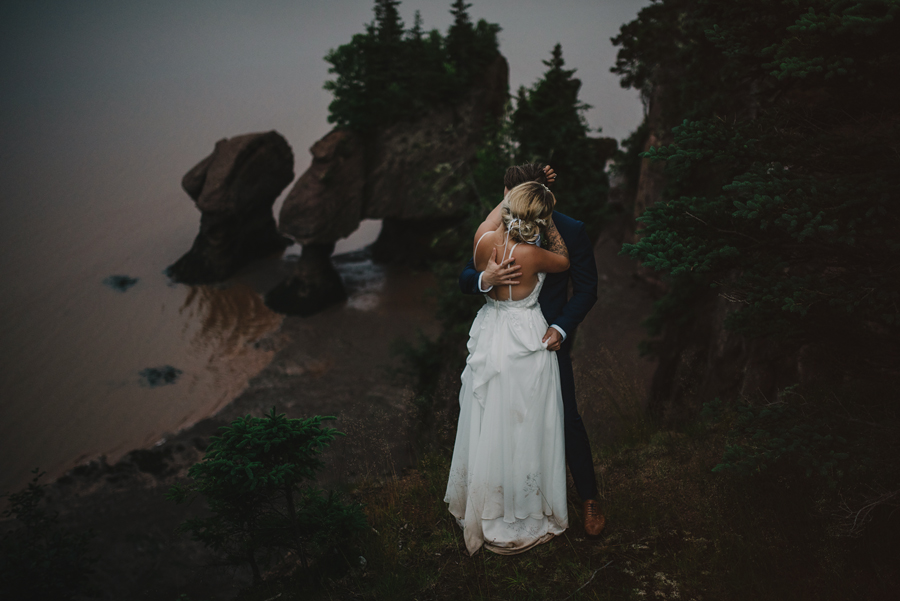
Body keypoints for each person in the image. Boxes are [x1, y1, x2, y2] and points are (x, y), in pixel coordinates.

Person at [457, 164, 605, 540]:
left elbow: (586, 289)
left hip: (544, 339)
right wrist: (482, 279)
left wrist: (561, 327)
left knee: (565, 416)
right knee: (503, 419)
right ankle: (510, 497)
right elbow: (464, 275)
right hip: (507, 336)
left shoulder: (571, 230)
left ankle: (589, 498)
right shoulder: (498, 233)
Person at [445, 179, 571, 555]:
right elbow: (564, 260)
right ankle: (520, 501)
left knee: (489, 415)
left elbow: (491, 224)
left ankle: (487, 499)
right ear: (538, 217)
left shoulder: (484, 242)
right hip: (524, 335)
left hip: (492, 331)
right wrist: (547, 220)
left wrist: (512, 195)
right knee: (526, 420)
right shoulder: (533, 256)